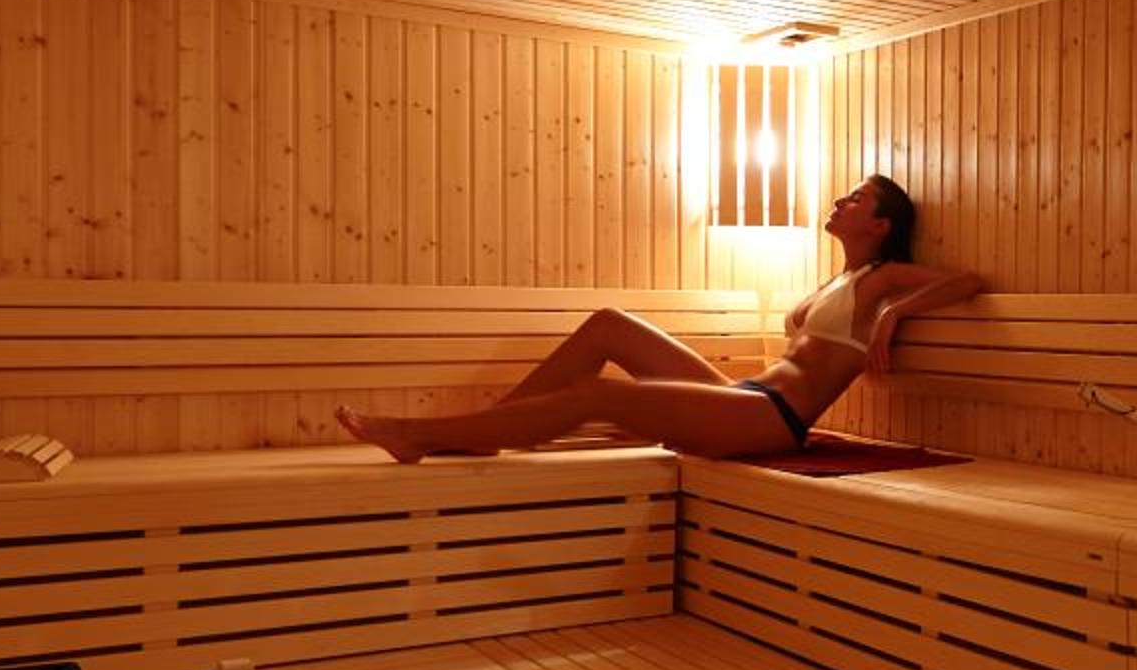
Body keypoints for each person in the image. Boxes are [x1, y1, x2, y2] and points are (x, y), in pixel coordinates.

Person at [335, 175, 978, 461]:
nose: (840, 200)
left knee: (597, 394)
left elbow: (968, 280)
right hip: (746, 398)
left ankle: (422, 434)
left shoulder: (881, 278)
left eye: (856, 198)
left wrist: (897, 313)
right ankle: (488, 429)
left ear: (882, 224)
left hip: (774, 421)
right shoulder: (834, 280)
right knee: (608, 324)